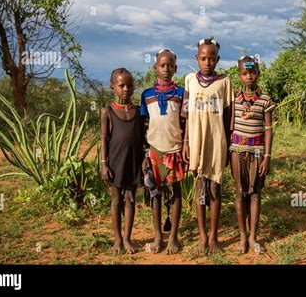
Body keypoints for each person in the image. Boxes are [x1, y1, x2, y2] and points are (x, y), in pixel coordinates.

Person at [182, 37, 233, 255]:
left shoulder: (224, 82)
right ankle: (202, 236)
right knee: (200, 188)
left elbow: (229, 117)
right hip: (195, 140)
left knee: (214, 188)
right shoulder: (189, 80)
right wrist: (185, 142)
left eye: (212, 59)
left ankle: (214, 237)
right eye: (203, 58)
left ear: (217, 60)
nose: (207, 62)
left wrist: (230, 146)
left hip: (216, 141)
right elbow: (185, 114)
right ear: (197, 59)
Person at [140, 49, 186, 254]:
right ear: (155, 67)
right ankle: (158, 236)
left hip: (175, 149)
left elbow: (185, 122)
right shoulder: (146, 95)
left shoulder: (181, 93)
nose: (166, 69)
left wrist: (186, 145)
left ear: (175, 68)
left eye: (170, 66)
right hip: (154, 150)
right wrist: (144, 153)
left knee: (176, 193)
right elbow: (142, 126)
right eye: (162, 65)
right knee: (155, 193)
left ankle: (173, 236)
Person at [229, 56, 275, 254]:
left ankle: (253, 236)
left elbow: (268, 129)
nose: (249, 77)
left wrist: (267, 156)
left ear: (258, 73)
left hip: (257, 152)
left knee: (255, 193)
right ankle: (242, 236)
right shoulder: (233, 98)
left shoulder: (265, 99)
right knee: (240, 192)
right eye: (245, 73)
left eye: (253, 72)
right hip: (237, 150)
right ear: (239, 75)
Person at [100, 68, 145, 254]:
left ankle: (127, 238)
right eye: (121, 85)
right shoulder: (107, 112)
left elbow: (142, 139)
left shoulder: (137, 111)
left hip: (133, 161)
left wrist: (144, 160)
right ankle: (117, 239)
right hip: (115, 163)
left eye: (129, 85)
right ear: (113, 87)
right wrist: (104, 163)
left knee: (130, 199)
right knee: (116, 200)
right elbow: (103, 139)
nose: (126, 89)